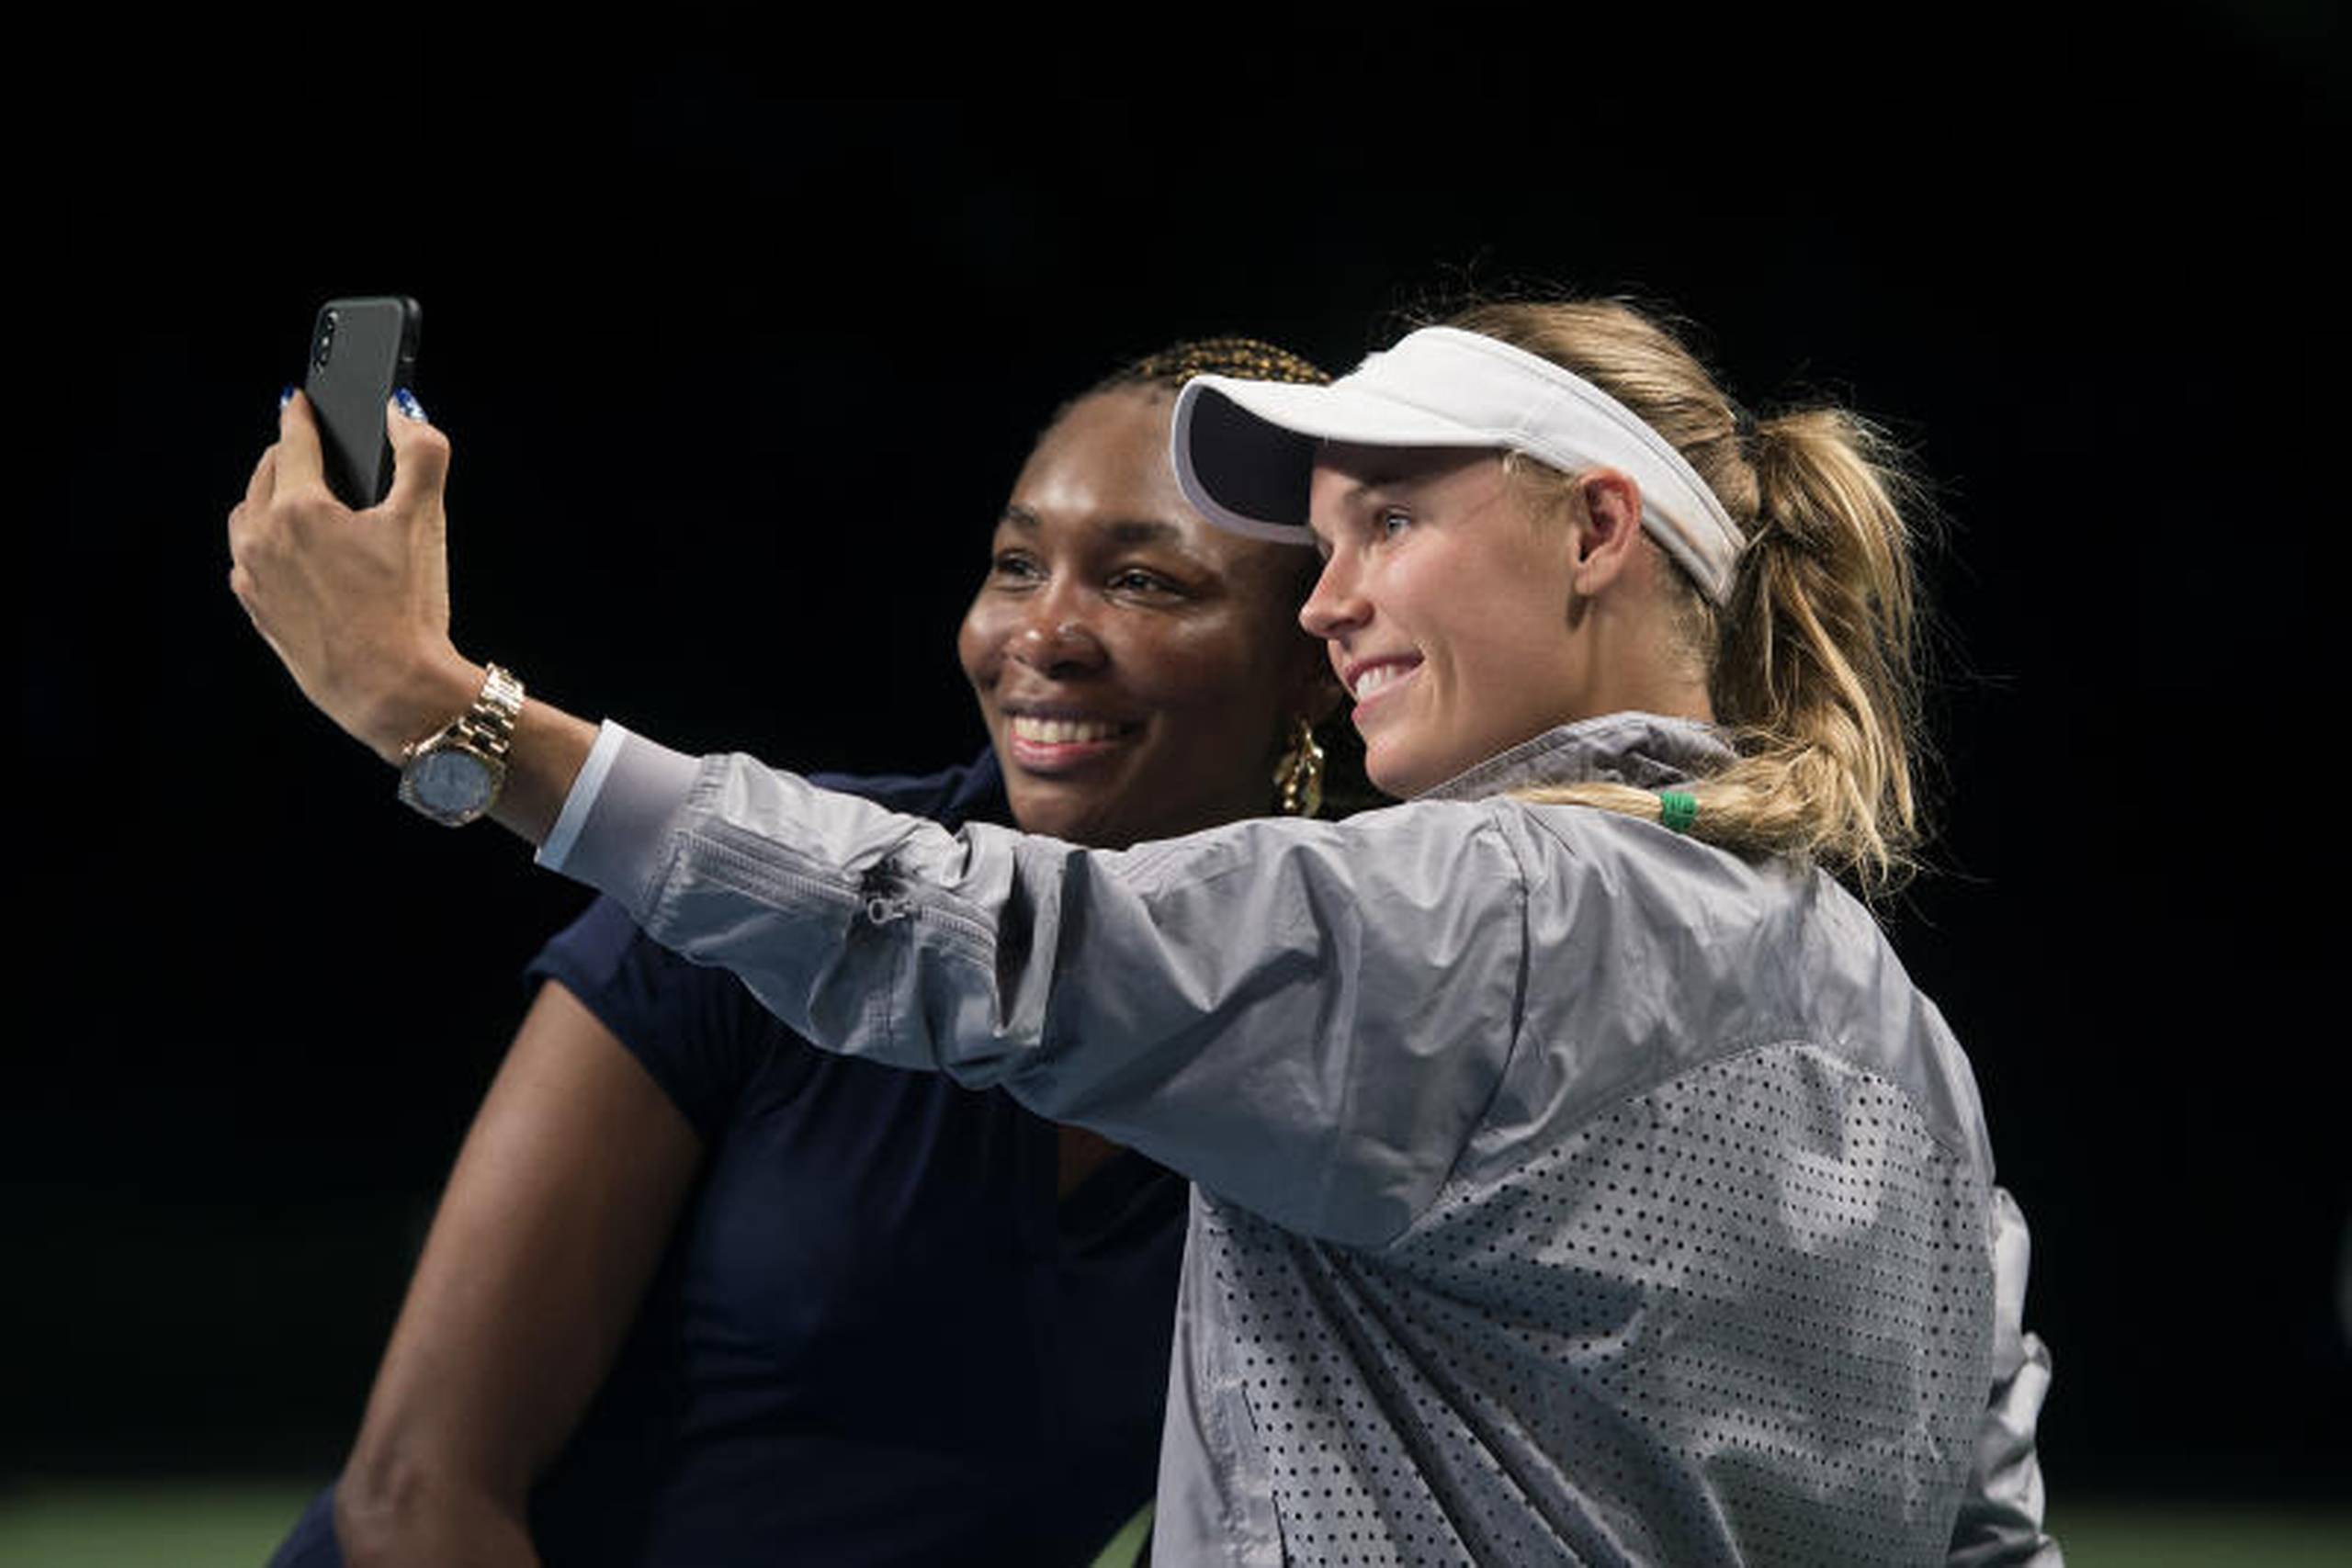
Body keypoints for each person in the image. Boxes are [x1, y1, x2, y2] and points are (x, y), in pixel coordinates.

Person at [230, 298, 2060, 1565]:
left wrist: (438, 706)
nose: (1335, 599)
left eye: (1389, 523)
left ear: (1594, 529)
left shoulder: (1482, 902)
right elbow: (1981, 1527)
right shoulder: (1908, 1038)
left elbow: (962, 937)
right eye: (1317, 547)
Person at [264, 337, 1348, 1567]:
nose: (1041, 632)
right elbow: (419, 1496)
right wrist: (422, 694)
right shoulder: (736, 904)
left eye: (1144, 580)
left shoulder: (1330, 1054)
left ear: (1314, 661)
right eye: (1014, 563)